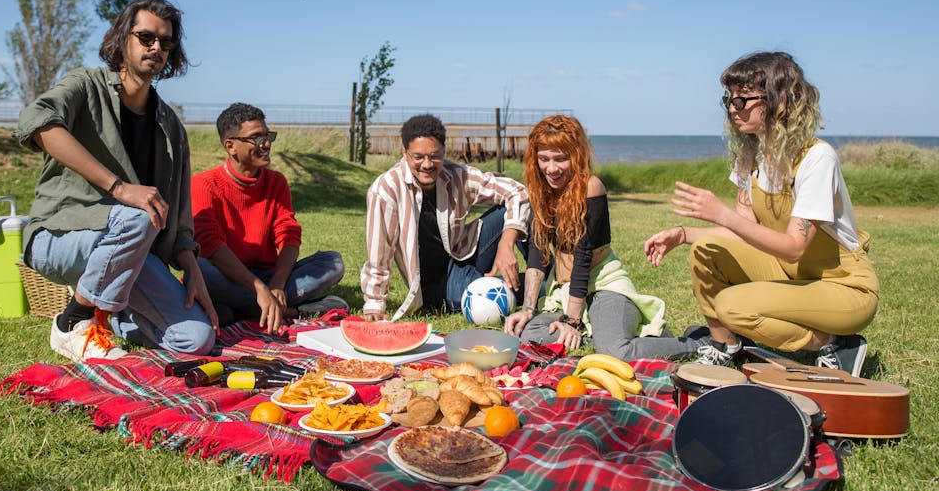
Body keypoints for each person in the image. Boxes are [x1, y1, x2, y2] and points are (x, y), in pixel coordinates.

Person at [644, 51, 879, 377]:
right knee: (705, 251)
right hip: (790, 273)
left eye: (743, 100)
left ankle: (833, 342)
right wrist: (683, 235)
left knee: (732, 306)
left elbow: (795, 246)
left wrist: (722, 214)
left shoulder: (816, 159)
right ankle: (726, 345)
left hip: (843, 288)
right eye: (729, 99)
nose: (732, 109)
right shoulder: (751, 157)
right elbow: (744, 233)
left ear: (778, 100)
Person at [15, 0, 218, 363]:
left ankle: (116, 312)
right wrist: (120, 188)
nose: (156, 47)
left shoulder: (171, 127)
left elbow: (179, 216)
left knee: (197, 339)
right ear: (123, 37)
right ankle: (71, 321)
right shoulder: (85, 85)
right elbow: (35, 121)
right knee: (138, 215)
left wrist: (192, 268)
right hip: (59, 237)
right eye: (146, 37)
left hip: (131, 249)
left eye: (166, 42)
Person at [504, 115, 702, 359]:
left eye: (560, 159)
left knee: (615, 352)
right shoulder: (540, 189)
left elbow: (583, 255)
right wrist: (527, 309)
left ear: (576, 156)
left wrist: (573, 320)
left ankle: (699, 343)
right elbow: (538, 250)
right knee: (527, 332)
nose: (551, 168)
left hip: (604, 286)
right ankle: (602, 335)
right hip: (565, 291)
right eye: (544, 159)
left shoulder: (590, 186)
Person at [192, 103, 346, 333]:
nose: (266, 144)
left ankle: (240, 310)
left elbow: (289, 235)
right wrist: (259, 290)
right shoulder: (204, 184)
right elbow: (211, 247)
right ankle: (291, 312)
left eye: (267, 135)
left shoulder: (276, 182)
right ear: (230, 146)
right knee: (201, 269)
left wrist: (276, 285)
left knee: (332, 262)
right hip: (224, 274)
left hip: (267, 275)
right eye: (256, 138)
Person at [360, 114, 530, 321]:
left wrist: (506, 242)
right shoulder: (386, 190)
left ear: (444, 151)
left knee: (528, 205)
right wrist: (374, 304)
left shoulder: (458, 175)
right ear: (404, 153)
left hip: (465, 253)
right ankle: (543, 291)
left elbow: (518, 192)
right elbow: (380, 252)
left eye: (434, 156)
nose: (427, 164)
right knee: (486, 299)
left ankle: (541, 273)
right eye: (418, 157)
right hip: (435, 285)